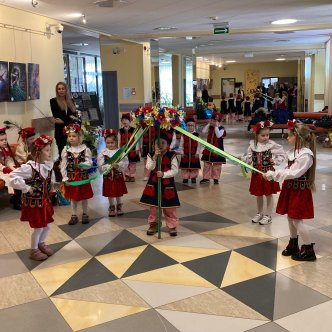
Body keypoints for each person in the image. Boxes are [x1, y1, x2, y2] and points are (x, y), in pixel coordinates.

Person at [264, 121, 317, 261]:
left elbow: (294, 173)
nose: (287, 138)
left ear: (297, 137)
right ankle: (293, 243)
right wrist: (272, 171)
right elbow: (285, 169)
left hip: (299, 191)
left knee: (297, 221)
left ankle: (309, 249)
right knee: (290, 218)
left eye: (289, 136)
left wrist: (274, 175)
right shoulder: (294, 152)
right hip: (291, 189)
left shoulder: (306, 155)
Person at [9, 135, 55, 261]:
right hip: (34, 204)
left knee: (48, 226)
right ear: (38, 153)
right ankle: (34, 250)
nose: (49, 152)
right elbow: (12, 176)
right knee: (39, 227)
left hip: (44, 202)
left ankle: (41, 243)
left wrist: (54, 187)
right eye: (47, 150)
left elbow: (50, 181)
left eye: (50, 149)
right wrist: (26, 187)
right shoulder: (29, 168)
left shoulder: (48, 166)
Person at [241, 120, 285, 225]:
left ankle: (268, 215)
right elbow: (248, 157)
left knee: (269, 194)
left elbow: (282, 154)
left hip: (269, 174)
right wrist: (245, 160)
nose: (266, 137)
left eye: (267, 135)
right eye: (263, 135)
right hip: (256, 174)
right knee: (258, 194)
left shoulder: (271, 145)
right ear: (256, 135)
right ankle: (259, 213)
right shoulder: (252, 145)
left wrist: (275, 161)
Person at [140, 131, 180, 237]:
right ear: (154, 145)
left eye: (163, 143)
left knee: (169, 207)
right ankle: (154, 224)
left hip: (167, 185)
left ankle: (172, 225)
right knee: (154, 207)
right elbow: (149, 167)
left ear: (167, 145)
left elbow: (175, 170)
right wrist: (154, 157)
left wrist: (163, 174)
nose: (160, 145)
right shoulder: (150, 154)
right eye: (157, 143)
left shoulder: (172, 155)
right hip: (154, 184)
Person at [60, 123, 93, 225]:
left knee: (84, 197)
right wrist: (64, 177)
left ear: (79, 137)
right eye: (69, 136)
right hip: (72, 179)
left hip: (83, 178)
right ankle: (73, 215)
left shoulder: (85, 149)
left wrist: (84, 165)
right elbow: (63, 165)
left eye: (74, 136)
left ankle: (85, 213)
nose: (71, 138)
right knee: (73, 198)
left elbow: (90, 163)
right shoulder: (66, 150)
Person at [98, 129, 128, 217]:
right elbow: (100, 165)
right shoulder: (103, 153)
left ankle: (119, 206)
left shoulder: (120, 152)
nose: (110, 145)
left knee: (118, 192)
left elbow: (125, 162)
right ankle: (111, 207)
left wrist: (118, 165)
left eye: (112, 142)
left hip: (117, 176)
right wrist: (106, 167)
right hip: (108, 177)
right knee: (110, 193)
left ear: (116, 142)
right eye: (108, 143)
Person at [50, 82, 77, 158]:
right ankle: (62, 169)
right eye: (59, 89)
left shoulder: (71, 101)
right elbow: (56, 115)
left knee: (72, 153)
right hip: (60, 132)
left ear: (66, 90)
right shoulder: (53, 101)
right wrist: (69, 117)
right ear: (57, 90)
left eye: (63, 88)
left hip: (71, 132)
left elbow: (74, 115)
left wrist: (65, 120)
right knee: (62, 153)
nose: (61, 90)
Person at [200, 112, 226, 185]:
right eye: (212, 120)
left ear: (219, 121)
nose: (213, 122)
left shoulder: (221, 128)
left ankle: (216, 178)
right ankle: (206, 178)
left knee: (217, 165)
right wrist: (208, 124)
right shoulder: (210, 127)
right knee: (207, 163)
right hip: (209, 149)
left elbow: (218, 135)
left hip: (217, 149)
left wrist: (216, 126)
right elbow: (203, 131)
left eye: (215, 121)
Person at [179, 117, 202, 184]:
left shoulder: (197, 135)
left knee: (194, 167)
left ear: (194, 126)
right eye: (189, 125)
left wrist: (197, 153)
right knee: (185, 167)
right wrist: (182, 152)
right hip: (185, 154)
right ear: (186, 126)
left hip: (194, 154)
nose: (190, 127)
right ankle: (185, 177)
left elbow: (199, 145)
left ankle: (193, 177)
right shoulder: (184, 134)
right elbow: (181, 145)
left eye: (192, 125)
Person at [118, 113, 140, 182]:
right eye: (123, 120)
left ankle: (132, 175)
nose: (124, 121)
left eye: (126, 120)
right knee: (125, 163)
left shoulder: (134, 130)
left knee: (132, 164)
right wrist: (119, 149)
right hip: (123, 150)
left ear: (129, 121)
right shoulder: (120, 131)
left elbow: (136, 140)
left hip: (132, 150)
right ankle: (127, 175)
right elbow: (119, 140)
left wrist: (137, 148)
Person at [0, 127, 16, 194]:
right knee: (8, 177)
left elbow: (8, 160)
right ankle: (13, 194)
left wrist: (12, 167)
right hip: (1, 169)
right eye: (1, 140)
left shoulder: (4, 150)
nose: (5, 141)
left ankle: (16, 196)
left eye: (5, 139)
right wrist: (4, 168)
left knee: (15, 174)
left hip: (2, 169)